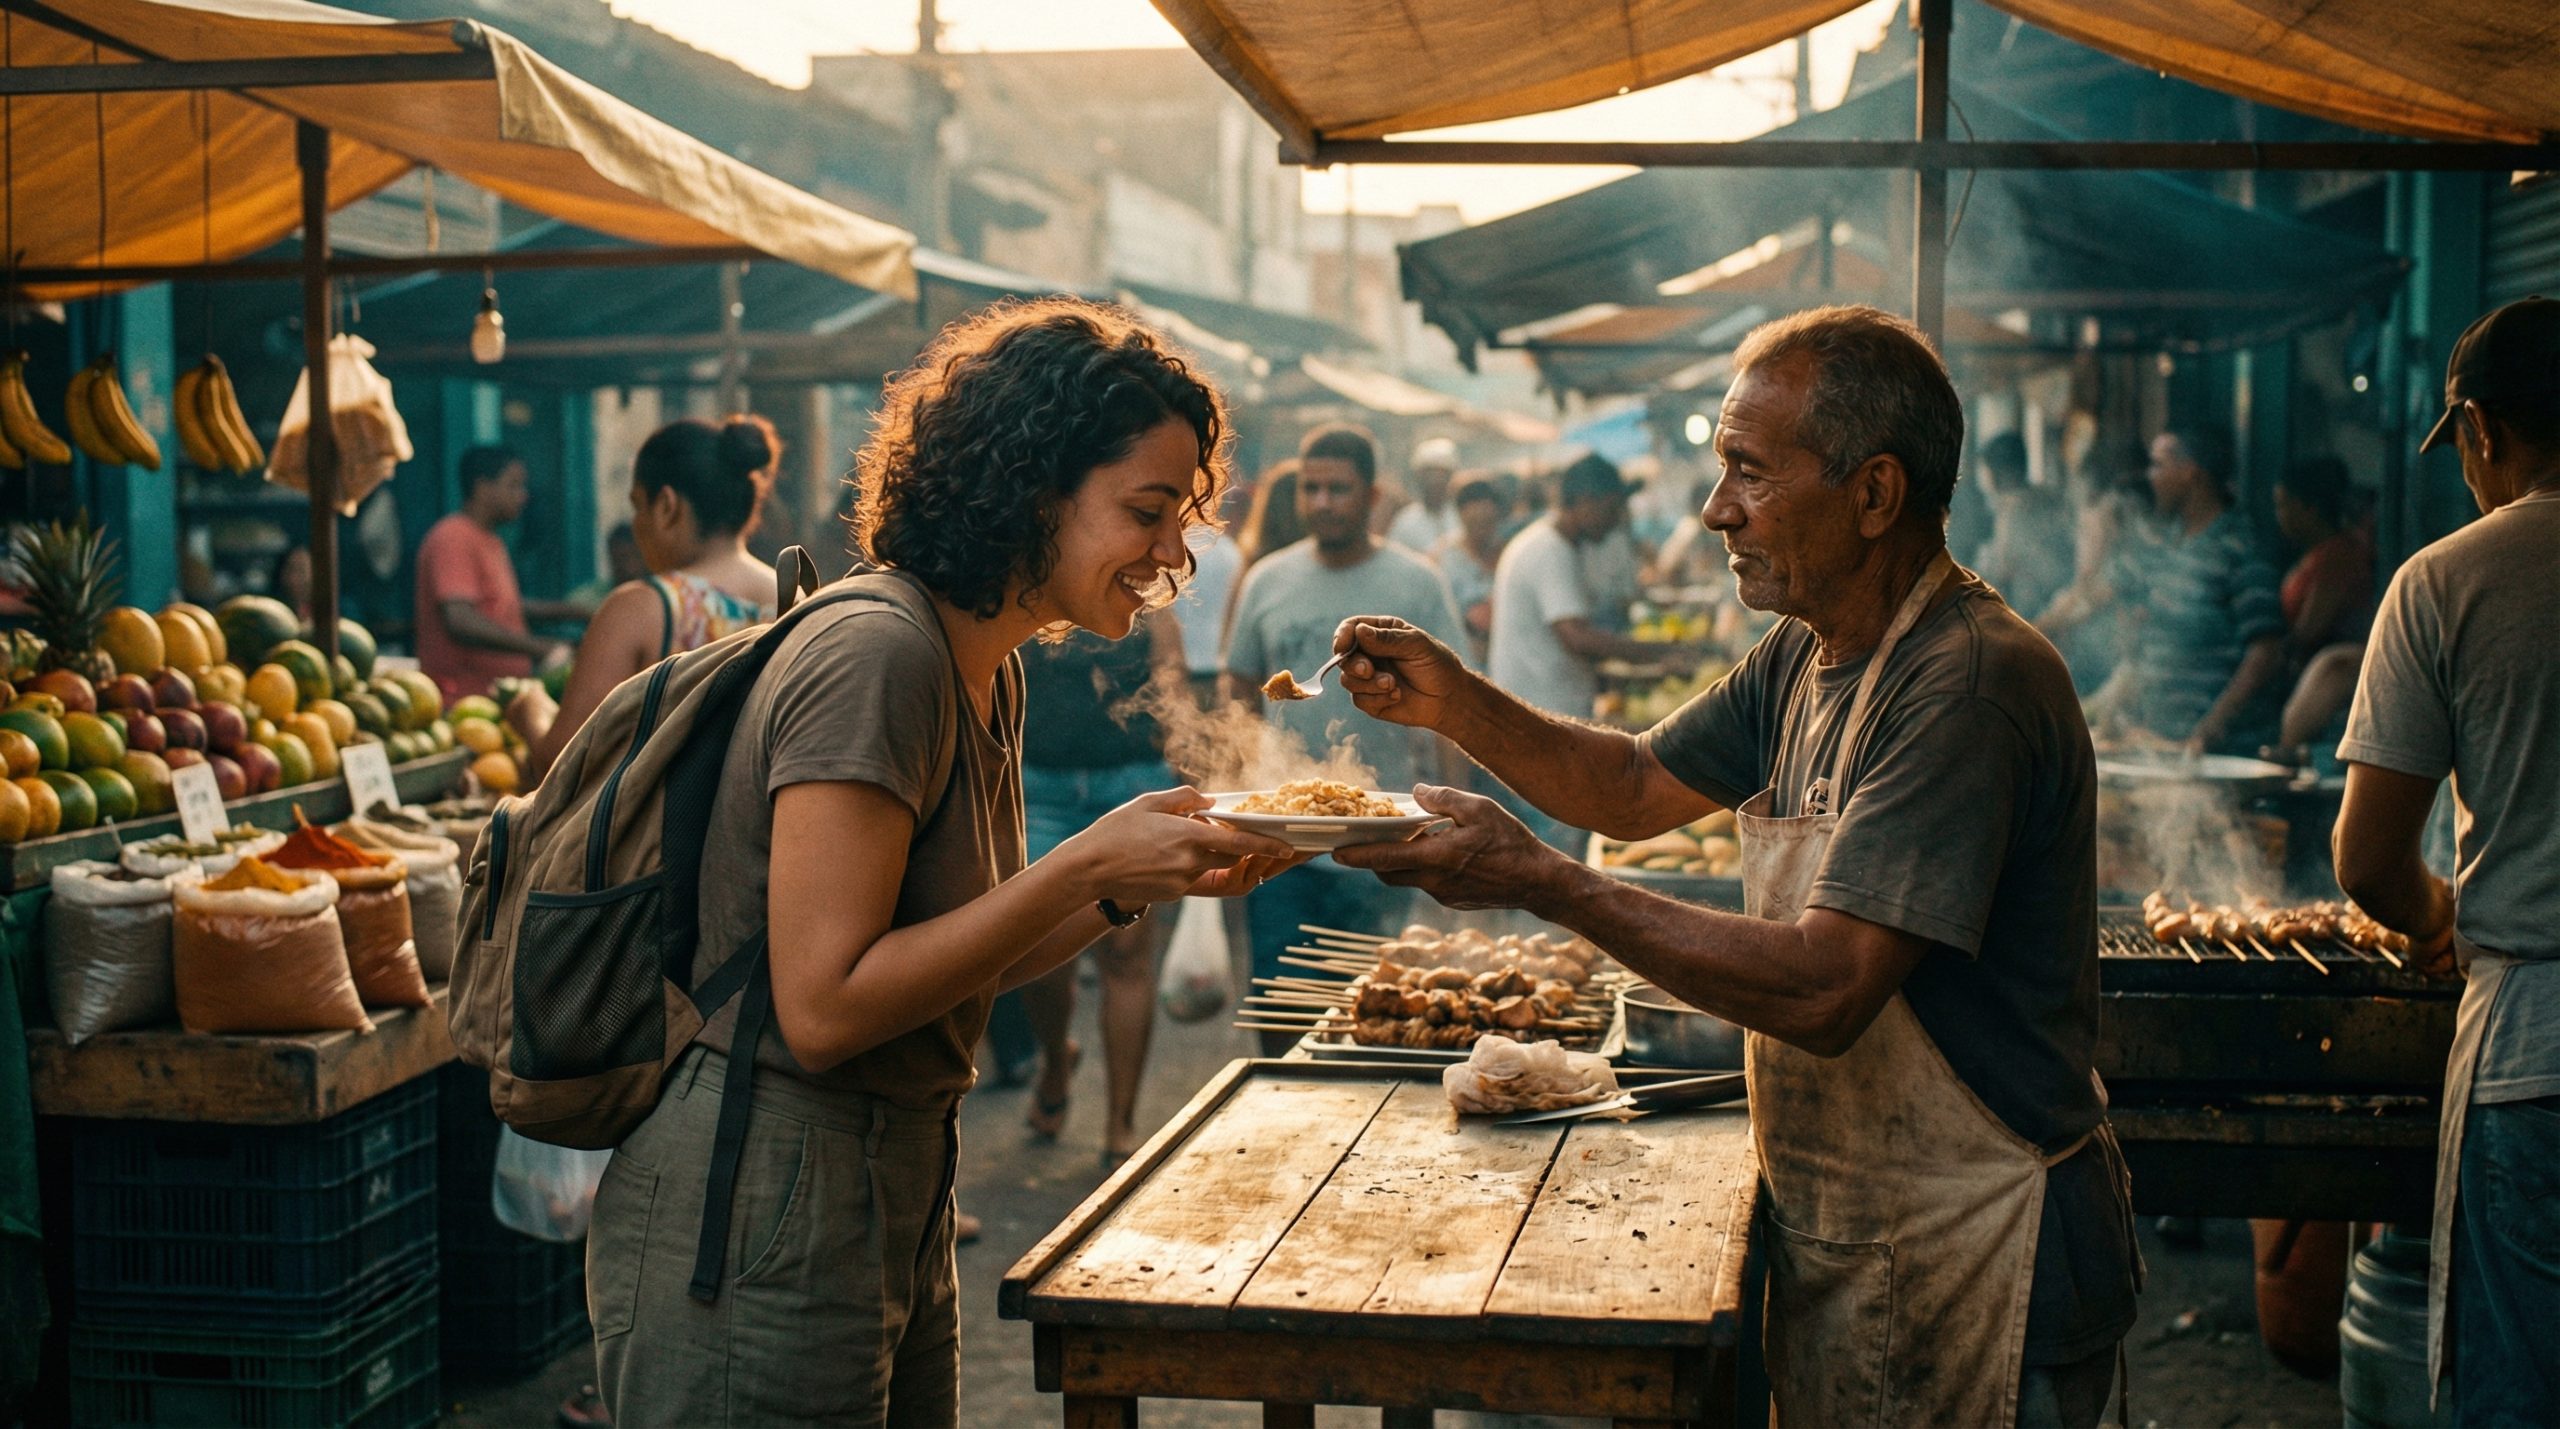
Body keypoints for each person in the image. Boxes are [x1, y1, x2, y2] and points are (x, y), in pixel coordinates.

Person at [1328, 305, 2139, 1428]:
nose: (1716, 509)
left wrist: (1544, 880)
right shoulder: (1805, 652)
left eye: (1750, 472)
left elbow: (1826, 988)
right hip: (1862, 1228)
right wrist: (1453, 698)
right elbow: (1628, 786)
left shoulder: (1965, 684)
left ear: (1874, 493)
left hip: (1987, 1252)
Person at [585, 299, 1299, 1426]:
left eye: (1181, 518)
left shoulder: (985, 666)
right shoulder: (879, 653)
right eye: (1147, 512)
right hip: (766, 1183)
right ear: (1032, 491)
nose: (1174, 555)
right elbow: (824, 1008)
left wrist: (1129, 883)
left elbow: (958, 962)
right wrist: (1082, 866)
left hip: (893, 1172)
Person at [2333, 296, 2560, 1427]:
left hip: (2536, 1057)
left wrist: (2438, 916)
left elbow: (2369, 857)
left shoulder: (2444, 581)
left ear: (2480, 428)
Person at [1222, 423, 1467, 1052]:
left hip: (1382, 833)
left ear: (1372, 495)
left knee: (1377, 1015)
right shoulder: (1266, 580)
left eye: (1339, 488)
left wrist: (1455, 814)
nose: (1323, 502)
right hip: (1278, 842)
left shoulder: (1416, 583)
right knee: (1280, 1008)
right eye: (1311, 489)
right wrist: (1232, 798)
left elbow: (1452, 707)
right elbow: (1239, 692)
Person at [520, 417, 782, 785]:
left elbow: (563, 766)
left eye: (638, 505)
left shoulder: (640, 608)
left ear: (666, 506)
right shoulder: (798, 598)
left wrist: (530, 713)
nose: (637, 523)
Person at [1016, 610, 1187, 1167]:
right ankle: (1055, 1060)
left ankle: (1120, 1124)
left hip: (1133, 781)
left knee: (1126, 955)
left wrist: (1190, 760)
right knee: (1037, 951)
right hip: (1041, 787)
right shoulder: (1030, 587)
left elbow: (1171, 680)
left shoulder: (1148, 600)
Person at [2102, 427, 2284, 753]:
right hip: (2160, 743)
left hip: (2217, 752)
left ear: (2189, 472)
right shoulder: (2167, 543)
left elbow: (2265, 652)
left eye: (2158, 465)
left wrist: (2207, 730)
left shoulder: (2239, 547)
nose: (2150, 477)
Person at [1488, 454, 1698, 722]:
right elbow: (1577, 637)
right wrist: (1659, 652)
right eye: (1611, 509)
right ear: (1585, 502)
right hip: (1541, 710)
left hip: (1551, 706)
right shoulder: (1549, 551)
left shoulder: (1557, 545)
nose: (1615, 521)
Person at [414, 445, 580, 703]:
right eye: (513, 485)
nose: (523, 496)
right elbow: (460, 619)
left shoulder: (492, 541)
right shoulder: (453, 537)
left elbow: (503, 607)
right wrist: (539, 647)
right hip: (465, 703)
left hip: (500, 700)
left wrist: (574, 612)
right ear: (482, 488)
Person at [2269, 455, 2377, 756]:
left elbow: (2308, 631)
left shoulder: (2336, 559)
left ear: (2310, 508)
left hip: (2325, 693)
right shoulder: (2317, 555)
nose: (2279, 514)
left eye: (2284, 504)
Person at [1971, 432, 2073, 621]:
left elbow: (2002, 571)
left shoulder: (2013, 510)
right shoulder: (2048, 498)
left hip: (2033, 614)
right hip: (2059, 603)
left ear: (1995, 472)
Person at [1429, 471, 1509, 659]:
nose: (1482, 529)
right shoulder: (1441, 558)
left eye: (1488, 522)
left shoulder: (1509, 554)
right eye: (1476, 523)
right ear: (1461, 515)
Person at [1386, 435, 1461, 553]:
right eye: (1429, 475)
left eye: (1441, 475)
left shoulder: (1462, 517)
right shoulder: (1405, 522)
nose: (1435, 481)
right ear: (1418, 478)